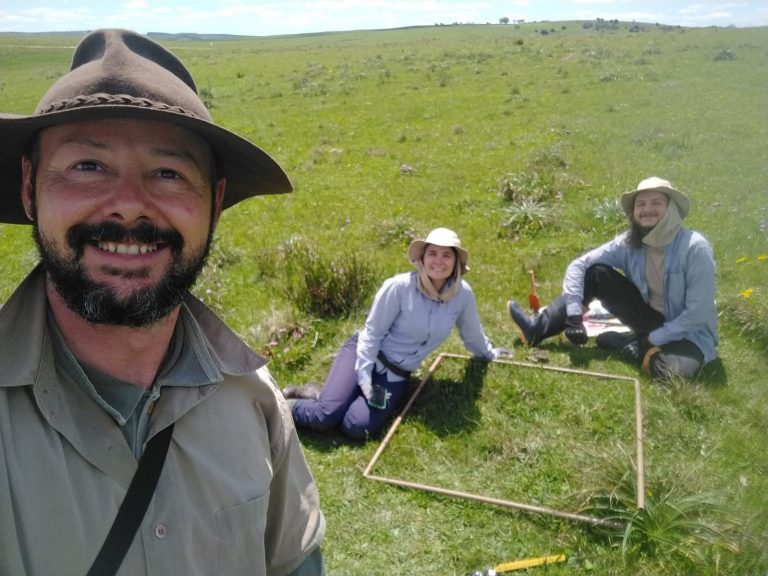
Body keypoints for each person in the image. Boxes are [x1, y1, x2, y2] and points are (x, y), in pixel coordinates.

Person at [0, 29, 326, 575]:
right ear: (31, 188)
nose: (129, 206)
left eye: (169, 173)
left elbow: (295, 563)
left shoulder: (254, 400)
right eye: (87, 165)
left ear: (215, 204)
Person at [285, 227, 511, 440]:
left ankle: (324, 395)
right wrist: (364, 379)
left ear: (456, 263)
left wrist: (489, 353)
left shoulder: (463, 295)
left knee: (356, 427)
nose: (438, 261)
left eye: (446, 255)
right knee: (324, 417)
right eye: (432, 253)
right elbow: (372, 334)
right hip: (362, 354)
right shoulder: (398, 287)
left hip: (394, 374)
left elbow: (472, 335)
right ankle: (287, 405)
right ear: (422, 258)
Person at [507, 177, 718, 381]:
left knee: (672, 373)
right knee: (596, 273)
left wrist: (653, 339)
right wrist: (573, 316)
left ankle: (633, 344)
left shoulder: (695, 248)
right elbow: (579, 265)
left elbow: (696, 315)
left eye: (656, 203)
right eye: (641, 204)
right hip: (648, 318)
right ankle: (536, 330)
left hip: (689, 333)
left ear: (671, 208)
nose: (647, 210)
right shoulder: (628, 242)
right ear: (634, 212)